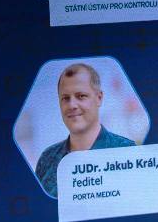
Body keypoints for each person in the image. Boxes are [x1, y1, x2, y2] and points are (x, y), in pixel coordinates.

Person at [34, 62, 135, 197]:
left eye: (81, 96)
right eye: (65, 98)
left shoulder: (127, 152)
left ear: (99, 98)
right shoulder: (47, 159)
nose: (72, 105)